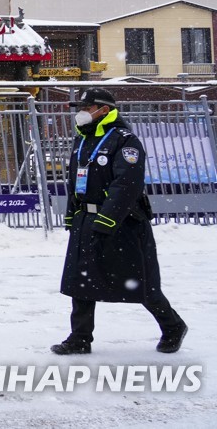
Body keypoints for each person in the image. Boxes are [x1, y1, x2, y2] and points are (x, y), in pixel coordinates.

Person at [51, 88, 188, 355]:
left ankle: (172, 326)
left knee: (140, 282)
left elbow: (126, 185)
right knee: (81, 282)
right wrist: (72, 213)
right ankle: (80, 338)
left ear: (103, 110)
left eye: (86, 108)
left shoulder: (124, 141)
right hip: (86, 219)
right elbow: (76, 182)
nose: (81, 113)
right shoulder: (83, 140)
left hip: (121, 223)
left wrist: (106, 221)